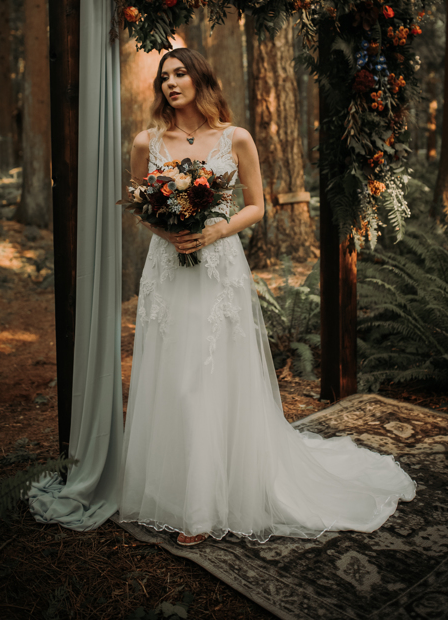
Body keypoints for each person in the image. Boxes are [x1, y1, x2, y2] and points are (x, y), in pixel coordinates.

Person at [116, 47, 416, 547]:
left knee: (213, 372)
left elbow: (256, 207)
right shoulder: (147, 141)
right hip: (168, 268)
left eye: (180, 72)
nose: (170, 83)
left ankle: (212, 502)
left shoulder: (236, 138)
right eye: (163, 77)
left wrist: (212, 234)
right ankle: (180, 495)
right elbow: (141, 207)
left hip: (218, 265)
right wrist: (171, 235)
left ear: (200, 78)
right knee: (175, 371)